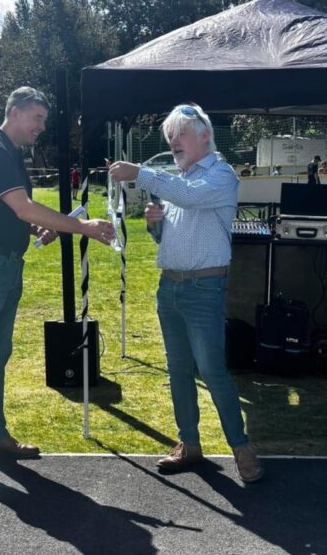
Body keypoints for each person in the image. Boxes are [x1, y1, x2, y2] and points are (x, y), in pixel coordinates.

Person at [0, 86, 114, 475]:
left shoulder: (9, 152)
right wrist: (81, 227)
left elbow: (14, 212)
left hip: (3, 264)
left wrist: (41, 226)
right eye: (37, 118)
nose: (41, 127)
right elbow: (22, 206)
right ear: (16, 112)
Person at [109, 103, 264, 483]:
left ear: (205, 135)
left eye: (179, 134)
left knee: (211, 370)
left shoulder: (221, 176)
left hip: (203, 288)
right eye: (169, 137)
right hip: (171, 287)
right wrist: (154, 226)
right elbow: (170, 237)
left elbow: (191, 197)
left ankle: (241, 447)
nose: (173, 142)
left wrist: (142, 173)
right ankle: (189, 443)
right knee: (178, 369)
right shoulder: (182, 179)